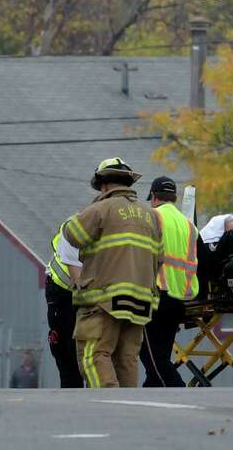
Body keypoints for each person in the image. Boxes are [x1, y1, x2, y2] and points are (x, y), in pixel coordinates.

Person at [60, 156, 163, 388]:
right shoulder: (151, 216)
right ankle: (129, 410)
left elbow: (72, 235)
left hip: (103, 299)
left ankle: (109, 404)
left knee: (93, 354)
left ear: (104, 185)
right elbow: (160, 258)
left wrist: (88, 209)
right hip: (141, 301)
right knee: (126, 359)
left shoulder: (99, 209)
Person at [139, 176, 198, 387]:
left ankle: (178, 391)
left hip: (156, 294)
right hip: (180, 297)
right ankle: (151, 395)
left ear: (153, 197)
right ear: (173, 197)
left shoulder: (152, 217)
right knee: (160, 355)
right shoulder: (188, 225)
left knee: (151, 356)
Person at [45, 223, 84, 387]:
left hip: (65, 292)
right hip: (66, 293)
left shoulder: (75, 224)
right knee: (69, 350)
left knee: (68, 353)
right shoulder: (79, 225)